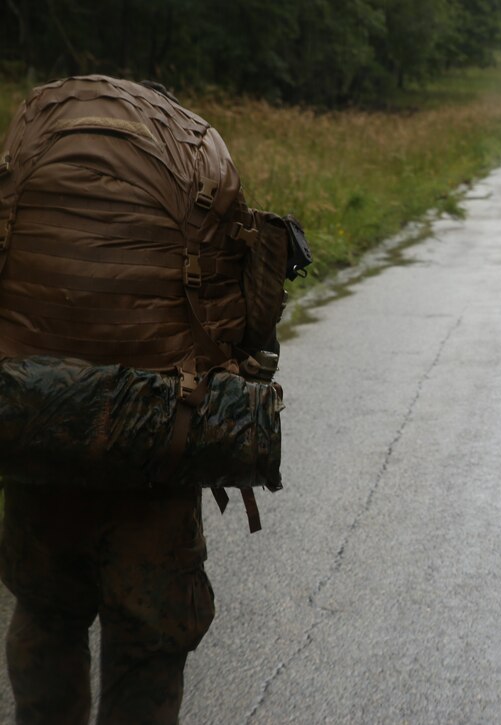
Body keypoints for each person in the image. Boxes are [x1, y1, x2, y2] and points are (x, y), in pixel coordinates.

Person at [0, 76, 301, 724]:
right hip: (159, 450)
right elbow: (236, 326)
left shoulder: (34, 135)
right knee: (148, 645)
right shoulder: (195, 149)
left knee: (45, 618)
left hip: (36, 431)